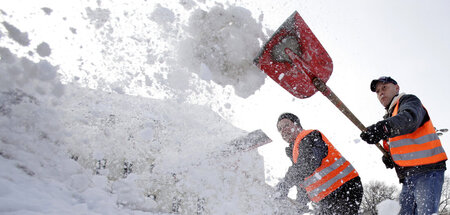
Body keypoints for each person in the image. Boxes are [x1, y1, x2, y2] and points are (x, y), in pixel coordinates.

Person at [360, 76, 447, 215]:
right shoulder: (391, 116)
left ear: (397, 88)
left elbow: (409, 119)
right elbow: (402, 143)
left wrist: (381, 128)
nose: (381, 92)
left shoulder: (409, 101)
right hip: (409, 177)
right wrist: (390, 157)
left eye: (384, 87)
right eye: (377, 91)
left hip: (428, 171)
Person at [275, 112, 363, 214]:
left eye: (286, 125)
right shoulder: (295, 150)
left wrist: (284, 185)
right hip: (328, 197)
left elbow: (308, 164)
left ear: (297, 125)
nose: (283, 130)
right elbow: (304, 180)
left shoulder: (308, 136)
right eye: (280, 129)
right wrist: (300, 203)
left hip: (343, 188)